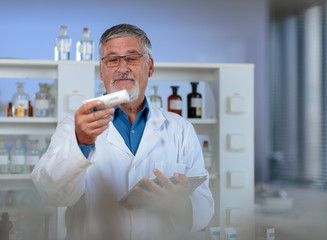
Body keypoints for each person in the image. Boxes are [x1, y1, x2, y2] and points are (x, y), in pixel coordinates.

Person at [31, 24, 214, 240]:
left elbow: (205, 208)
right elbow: (51, 194)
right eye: (112, 59)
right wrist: (81, 143)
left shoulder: (180, 129)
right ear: (101, 70)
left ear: (150, 67)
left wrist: (182, 205)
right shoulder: (74, 125)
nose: (122, 67)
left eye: (132, 58)